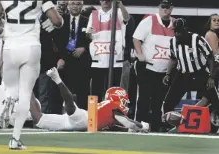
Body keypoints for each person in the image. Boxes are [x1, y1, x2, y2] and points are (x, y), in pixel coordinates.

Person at [0, 68, 150, 132]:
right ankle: (58, 80)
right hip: (84, 120)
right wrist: (141, 126)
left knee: (39, 119)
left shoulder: (110, 109)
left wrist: (132, 126)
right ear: (119, 98)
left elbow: (119, 124)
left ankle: (25, 85)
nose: (126, 104)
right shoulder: (114, 107)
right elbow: (127, 123)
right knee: (71, 108)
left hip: (76, 122)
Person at [0, 0, 63, 150]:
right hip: (31, 46)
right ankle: (15, 139)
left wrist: (2, 29)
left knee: (11, 87)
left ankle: (9, 98)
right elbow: (57, 21)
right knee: (26, 94)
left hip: (10, 46)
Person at [133, 0, 175, 132]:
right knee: (144, 97)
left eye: (168, 8)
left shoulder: (176, 23)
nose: (165, 10)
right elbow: (136, 38)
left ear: (171, 8)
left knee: (159, 99)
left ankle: (156, 126)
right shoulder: (150, 20)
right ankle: (138, 124)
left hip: (164, 69)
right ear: (159, 8)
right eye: (163, 7)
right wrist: (140, 56)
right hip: (147, 66)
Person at [162, 18, 219, 116]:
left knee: (215, 101)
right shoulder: (173, 42)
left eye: (179, 31)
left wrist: (211, 77)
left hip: (200, 74)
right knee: (168, 103)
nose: (176, 34)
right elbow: (173, 59)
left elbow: (210, 57)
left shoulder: (197, 39)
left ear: (185, 29)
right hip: (183, 74)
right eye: (175, 31)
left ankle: (215, 125)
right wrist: (168, 74)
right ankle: (167, 125)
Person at [86, 0, 130, 101]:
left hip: (115, 60)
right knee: (96, 92)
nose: (105, 1)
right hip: (98, 60)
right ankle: (95, 115)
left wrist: (120, 5)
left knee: (113, 92)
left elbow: (127, 18)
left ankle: (112, 115)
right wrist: (89, 33)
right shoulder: (94, 15)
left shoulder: (118, 12)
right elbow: (88, 36)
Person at [53, 0, 91, 110]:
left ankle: (84, 119)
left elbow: (93, 40)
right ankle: (62, 117)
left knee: (83, 93)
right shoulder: (61, 20)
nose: (75, 6)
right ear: (68, 5)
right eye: (73, 4)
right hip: (65, 61)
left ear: (82, 6)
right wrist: (60, 58)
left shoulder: (87, 21)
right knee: (62, 92)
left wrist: (84, 48)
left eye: (78, 4)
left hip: (82, 62)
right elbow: (56, 41)